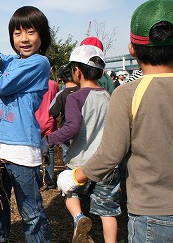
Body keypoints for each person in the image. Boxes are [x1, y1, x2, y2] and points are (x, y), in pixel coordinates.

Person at [57, 0, 173, 243]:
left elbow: (111, 155)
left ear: (132, 49)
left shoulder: (127, 93)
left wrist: (74, 177)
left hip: (152, 212)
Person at [0, 6, 52, 242]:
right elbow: (2, 57)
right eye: (17, 33)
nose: (24, 39)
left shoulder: (39, 63)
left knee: (31, 213)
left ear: (42, 35)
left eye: (30, 32)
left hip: (22, 151)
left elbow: (0, 84)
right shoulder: (14, 61)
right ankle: (0, 239)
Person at [47, 45, 120, 243]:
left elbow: (72, 127)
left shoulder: (75, 97)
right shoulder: (108, 96)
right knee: (108, 211)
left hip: (80, 163)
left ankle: (79, 219)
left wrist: (50, 139)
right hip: (106, 164)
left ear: (77, 71)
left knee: (69, 190)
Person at [35, 61, 59, 190]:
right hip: (49, 121)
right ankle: (50, 181)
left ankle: (38, 181)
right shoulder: (53, 85)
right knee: (49, 152)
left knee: (35, 153)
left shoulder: (33, 83)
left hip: (35, 122)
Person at [49, 65, 79, 164]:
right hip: (82, 131)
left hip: (66, 131)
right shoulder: (82, 91)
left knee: (68, 157)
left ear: (61, 79)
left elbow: (53, 111)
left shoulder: (61, 94)